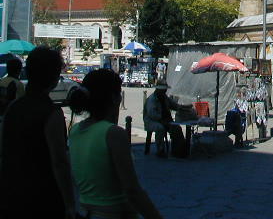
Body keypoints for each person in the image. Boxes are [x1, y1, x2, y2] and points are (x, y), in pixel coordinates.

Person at [68, 69, 163, 219]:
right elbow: (132, 190)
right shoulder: (113, 133)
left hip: (86, 212)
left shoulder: (75, 131)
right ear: (115, 98)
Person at [0, 46, 76, 218]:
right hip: (42, 197)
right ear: (54, 78)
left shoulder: (13, 108)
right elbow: (59, 162)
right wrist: (70, 203)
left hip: (11, 194)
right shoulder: (52, 113)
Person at [143, 83, 180, 157]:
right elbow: (152, 114)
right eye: (163, 90)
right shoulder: (152, 99)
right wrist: (162, 119)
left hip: (164, 120)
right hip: (151, 121)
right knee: (160, 128)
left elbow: (173, 105)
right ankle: (160, 150)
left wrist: (182, 108)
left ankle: (177, 149)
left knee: (177, 128)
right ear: (159, 90)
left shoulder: (165, 97)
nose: (165, 91)